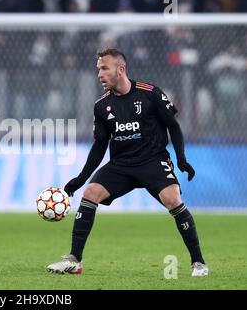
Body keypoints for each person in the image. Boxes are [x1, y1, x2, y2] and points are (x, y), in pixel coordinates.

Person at [47, 48, 208, 276]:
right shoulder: (101, 105)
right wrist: (81, 179)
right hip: (121, 164)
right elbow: (100, 144)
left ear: (120, 69)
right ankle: (74, 259)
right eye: (98, 69)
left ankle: (199, 263)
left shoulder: (150, 93)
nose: (100, 74)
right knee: (91, 192)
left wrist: (181, 159)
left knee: (172, 199)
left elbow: (173, 125)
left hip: (153, 160)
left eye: (104, 68)